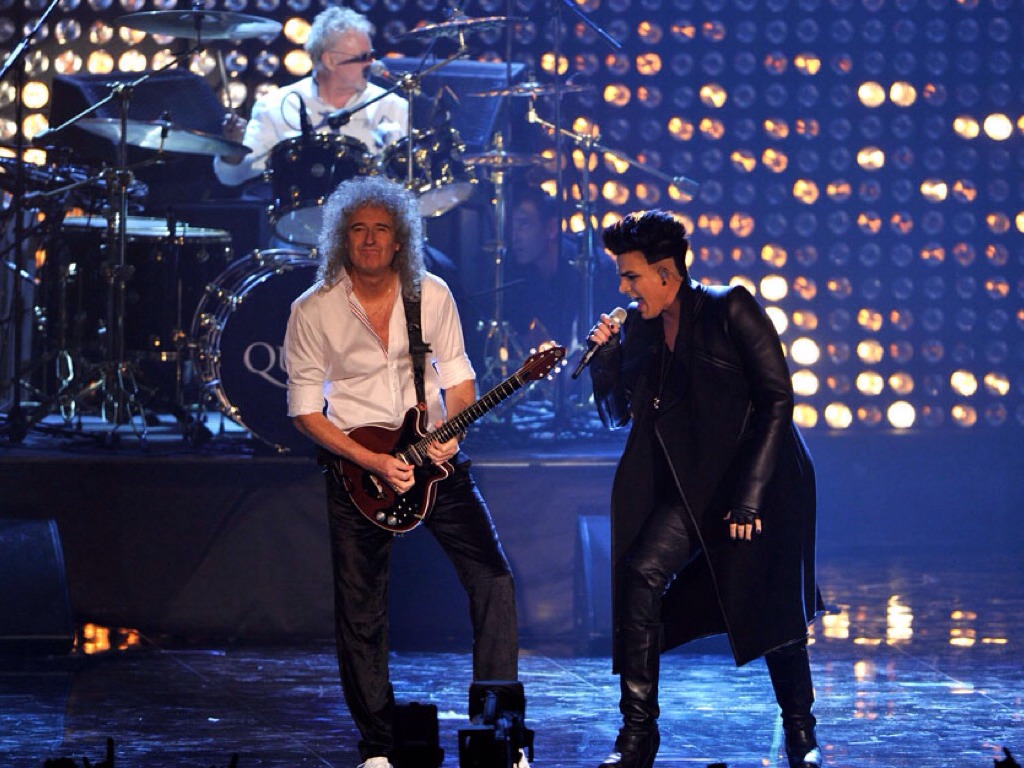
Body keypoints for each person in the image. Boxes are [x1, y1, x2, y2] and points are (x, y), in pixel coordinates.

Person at [283, 175, 525, 768]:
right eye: (358, 230)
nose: (370, 240)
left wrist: (453, 433)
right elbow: (305, 411)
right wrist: (369, 460)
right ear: (341, 239)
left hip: (435, 461)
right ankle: (379, 748)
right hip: (357, 471)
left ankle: (498, 733)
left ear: (400, 240)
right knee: (361, 609)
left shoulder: (431, 294)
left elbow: (459, 377)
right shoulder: (311, 309)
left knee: (494, 580)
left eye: (381, 230)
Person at [583, 210, 824, 768]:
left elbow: (777, 401)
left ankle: (801, 733)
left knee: (772, 608)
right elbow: (618, 415)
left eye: (631, 276)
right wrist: (606, 360)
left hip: (761, 482)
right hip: (691, 487)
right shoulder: (642, 327)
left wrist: (750, 497)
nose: (624, 288)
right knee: (640, 574)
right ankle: (637, 733)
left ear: (666, 273)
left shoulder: (729, 308)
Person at [214, 6, 407, 188]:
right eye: (363, 57)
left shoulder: (392, 106)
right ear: (330, 61)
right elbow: (231, 177)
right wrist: (232, 151)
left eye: (372, 55)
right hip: (302, 212)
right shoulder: (274, 107)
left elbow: (412, 180)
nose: (372, 65)